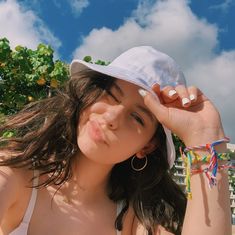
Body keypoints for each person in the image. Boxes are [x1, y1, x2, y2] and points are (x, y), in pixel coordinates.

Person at [0, 46, 232, 235]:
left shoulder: (133, 219)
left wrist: (207, 136)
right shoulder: (17, 173)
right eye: (109, 95)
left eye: (137, 117)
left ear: (148, 146)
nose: (111, 118)